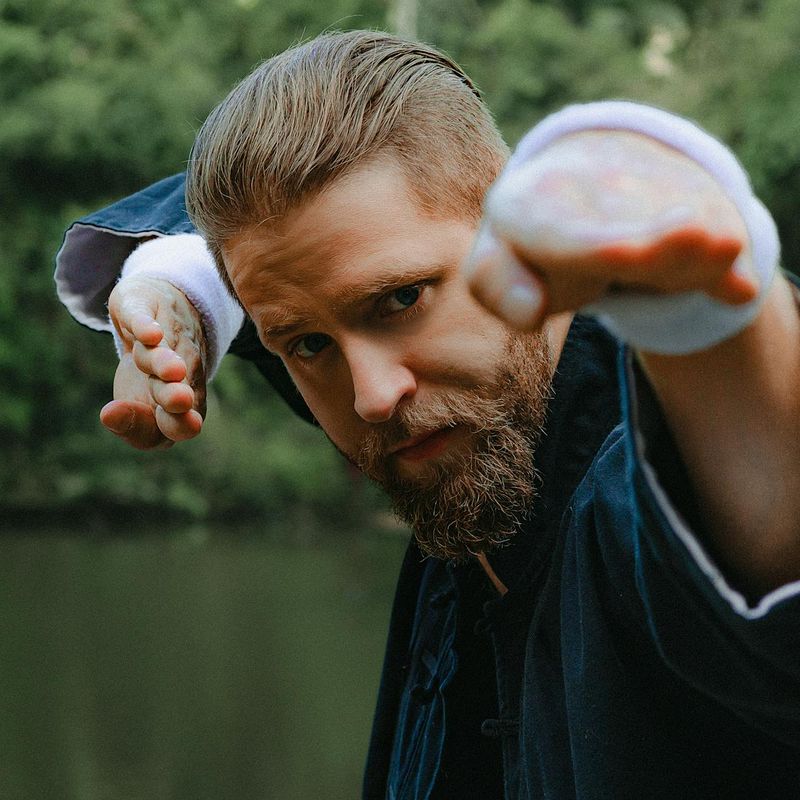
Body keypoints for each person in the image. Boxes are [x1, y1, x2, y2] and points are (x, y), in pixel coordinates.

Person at [55, 30, 800, 799]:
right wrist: (181, 285)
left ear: (511, 226)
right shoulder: (428, 402)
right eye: (306, 345)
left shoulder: (652, 467)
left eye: (402, 300)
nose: (372, 395)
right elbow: (300, 251)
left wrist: (713, 325)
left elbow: (763, 518)